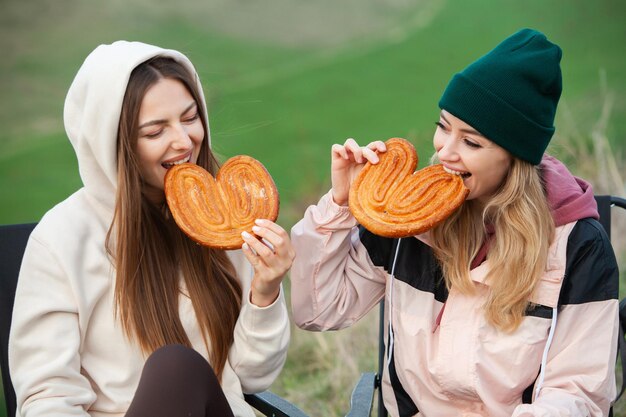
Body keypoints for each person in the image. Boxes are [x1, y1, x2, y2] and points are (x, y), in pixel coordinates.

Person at [290, 28, 619, 416]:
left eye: (471, 142)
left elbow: (578, 392)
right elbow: (318, 311)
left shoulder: (577, 246)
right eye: (443, 125)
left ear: (516, 158)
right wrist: (341, 205)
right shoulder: (409, 217)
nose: (445, 151)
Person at [9, 41, 294, 417]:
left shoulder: (222, 219)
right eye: (155, 131)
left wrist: (265, 290)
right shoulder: (62, 239)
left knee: (179, 369)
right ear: (115, 143)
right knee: (175, 368)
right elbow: (48, 400)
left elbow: (247, 380)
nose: (183, 141)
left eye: (190, 118)